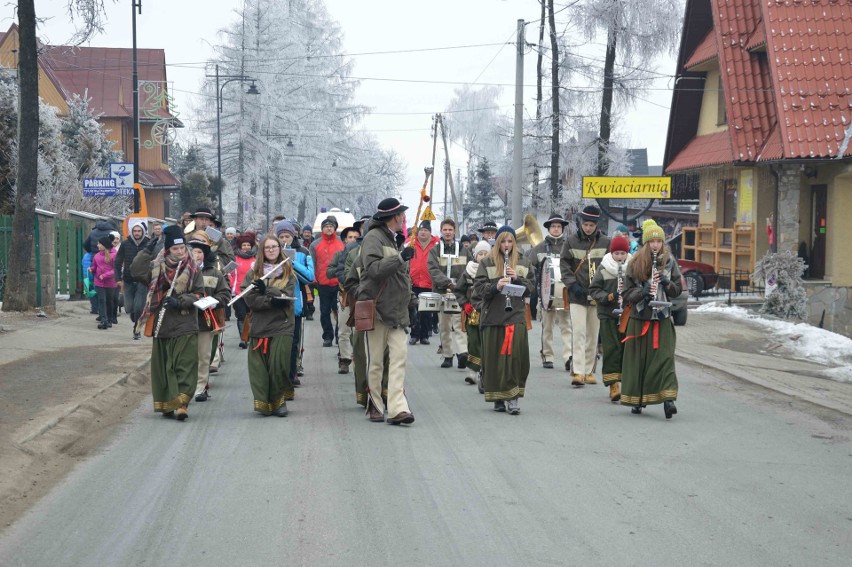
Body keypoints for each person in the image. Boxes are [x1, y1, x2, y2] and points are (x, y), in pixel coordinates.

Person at [131, 225, 204, 421]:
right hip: (162, 324)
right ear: (167, 249)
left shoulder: (193, 268)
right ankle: (167, 403)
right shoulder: (157, 267)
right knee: (165, 367)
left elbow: (199, 293)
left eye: (182, 248)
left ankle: (182, 404)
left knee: (185, 364)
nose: (180, 252)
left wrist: (180, 301)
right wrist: (147, 249)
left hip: (185, 321)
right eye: (175, 249)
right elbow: (135, 271)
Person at [357, 197, 416, 425]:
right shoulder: (373, 238)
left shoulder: (395, 240)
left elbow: (401, 278)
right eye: (401, 215)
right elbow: (373, 270)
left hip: (398, 311)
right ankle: (374, 403)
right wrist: (400, 258)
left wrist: (410, 300)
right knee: (376, 362)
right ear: (394, 217)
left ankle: (397, 408)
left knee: (399, 359)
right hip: (377, 309)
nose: (404, 219)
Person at [620, 222, 682, 418]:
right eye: (652, 241)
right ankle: (637, 400)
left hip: (662, 318)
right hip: (640, 318)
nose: (656, 245)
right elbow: (627, 293)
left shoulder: (669, 261)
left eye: (659, 241)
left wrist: (667, 283)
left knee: (665, 359)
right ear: (646, 244)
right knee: (640, 361)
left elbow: (678, 290)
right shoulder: (635, 262)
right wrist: (643, 292)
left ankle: (668, 400)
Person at [473, 226, 535, 414]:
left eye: (510, 242)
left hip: (515, 315)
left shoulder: (523, 261)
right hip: (493, 316)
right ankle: (497, 397)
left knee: (515, 357)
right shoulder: (487, 262)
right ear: (497, 242)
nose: (506, 245)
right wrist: (495, 286)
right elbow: (479, 289)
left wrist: (517, 280)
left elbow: (532, 288)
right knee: (494, 360)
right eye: (503, 241)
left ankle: (513, 397)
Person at [240, 235, 297, 417]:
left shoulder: (288, 272)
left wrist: (267, 291)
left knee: (278, 364)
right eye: (267, 248)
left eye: (274, 247)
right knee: (259, 369)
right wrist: (270, 300)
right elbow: (250, 299)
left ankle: (279, 401)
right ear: (262, 251)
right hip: (260, 326)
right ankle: (264, 402)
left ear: (280, 249)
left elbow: (286, 299)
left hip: (282, 325)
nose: (271, 250)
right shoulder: (253, 274)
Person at [342, 217, 390, 408]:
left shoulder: (390, 252)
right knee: (362, 352)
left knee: (388, 353)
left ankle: (386, 391)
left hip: (388, 310)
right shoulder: (354, 254)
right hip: (364, 308)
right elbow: (348, 279)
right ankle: (365, 392)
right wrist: (364, 293)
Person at [560, 205, 610, 386]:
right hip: (577, 295)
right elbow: (564, 265)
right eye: (585, 224)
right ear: (581, 223)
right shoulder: (571, 241)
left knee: (593, 334)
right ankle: (578, 372)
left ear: (596, 225)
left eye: (591, 225)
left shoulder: (605, 242)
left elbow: (610, 266)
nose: (588, 228)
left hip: (597, 295)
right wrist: (572, 285)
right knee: (579, 332)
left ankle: (589, 371)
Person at [187, 231, 230, 402]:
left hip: (204, 321)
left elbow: (225, 294)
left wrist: (213, 301)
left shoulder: (213, 272)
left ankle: (200, 388)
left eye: (199, 252)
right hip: (183, 320)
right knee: (186, 357)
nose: (196, 255)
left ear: (205, 254)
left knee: (203, 357)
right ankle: (185, 388)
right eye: (193, 251)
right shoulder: (182, 271)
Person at [589, 234, 632, 403]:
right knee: (611, 347)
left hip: (627, 313)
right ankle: (613, 384)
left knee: (626, 348)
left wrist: (628, 295)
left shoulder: (633, 267)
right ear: (611, 253)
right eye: (617, 254)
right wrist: (610, 296)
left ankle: (627, 383)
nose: (619, 257)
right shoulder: (603, 267)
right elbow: (594, 289)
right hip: (608, 314)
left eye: (622, 254)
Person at [528, 213, 572, 370]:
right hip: (545, 293)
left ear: (562, 229)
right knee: (547, 326)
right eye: (553, 226)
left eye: (559, 226)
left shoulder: (568, 246)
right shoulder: (539, 248)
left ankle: (569, 357)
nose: (556, 228)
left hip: (565, 293)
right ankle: (547, 355)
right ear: (548, 228)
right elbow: (530, 268)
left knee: (566, 325)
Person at [276, 220, 315, 387]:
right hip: (275, 304)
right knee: (278, 342)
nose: (285, 239)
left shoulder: (303, 252)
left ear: (294, 236)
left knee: (293, 342)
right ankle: (279, 374)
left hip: (295, 305)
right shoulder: (271, 252)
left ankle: (292, 374)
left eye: (288, 236)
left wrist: (291, 262)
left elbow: (309, 277)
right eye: (281, 236)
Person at [428, 218, 470, 369]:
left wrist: (460, 285)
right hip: (442, 292)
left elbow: (469, 268)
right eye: (445, 229)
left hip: (459, 293)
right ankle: (447, 355)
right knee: (444, 325)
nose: (447, 232)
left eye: (450, 230)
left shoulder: (464, 250)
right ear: (441, 231)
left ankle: (462, 353)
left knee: (459, 324)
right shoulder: (435, 250)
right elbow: (433, 270)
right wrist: (447, 283)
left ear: (454, 231)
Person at [455, 239, 491, 386]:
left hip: (489, 312)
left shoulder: (493, 270)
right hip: (472, 313)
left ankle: (486, 372)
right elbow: (459, 290)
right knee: (473, 342)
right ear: (475, 255)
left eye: (485, 253)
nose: (482, 256)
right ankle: (473, 372)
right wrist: (464, 304)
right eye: (480, 254)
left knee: (487, 342)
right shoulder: (468, 272)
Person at [327, 224, 360, 374]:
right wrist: (345, 278)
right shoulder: (340, 255)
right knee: (344, 330)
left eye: (356, 237)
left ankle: (360, 358)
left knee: (360, 330)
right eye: (350, 237)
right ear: (345, 240)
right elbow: (330, 272)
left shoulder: (364, 253)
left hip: (362, 296)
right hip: (346, 295)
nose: (353, 240)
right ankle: (345, 359)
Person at [309, 216, 344, 347]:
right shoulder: (315, 244)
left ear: (334, 228)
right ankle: (327, 336)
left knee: (339, 311)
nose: (329, 228)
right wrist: (313, 279)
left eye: (331, 226)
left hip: (339, 283)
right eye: (326, 226)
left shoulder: (342, 242)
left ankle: (339, 336)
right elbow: (312, 263)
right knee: (324, 312)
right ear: (322, 229)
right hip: (322, 283)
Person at [114, 218, 150, 339]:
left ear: (143, 231)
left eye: (139, 231)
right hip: (128, 280)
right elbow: (118, 261)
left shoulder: (149, 243)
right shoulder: (125, 244)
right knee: (129, 307)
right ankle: (134, 316)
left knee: (139, 306)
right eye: (135, 231)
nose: (137, 233)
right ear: (131, 232)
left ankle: (137, 328)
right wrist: (118, 277)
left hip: (143, 280)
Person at [408, 220, 439, 346]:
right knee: (414, 311)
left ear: (430, 232)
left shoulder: (435, 245)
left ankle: (424, 336)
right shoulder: (411, 243)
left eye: (426, 230)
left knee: (426, 312)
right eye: (421, 230)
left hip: (428, 283)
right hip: (413, 282)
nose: (423, 232)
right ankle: (414, 335)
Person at [231, 232, 257, 349]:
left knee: (250, 315)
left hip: (252, 292)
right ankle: (243, 338)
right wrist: (232, 286)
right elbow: (228, 274)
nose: (246, 247)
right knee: (241, 315)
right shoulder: (234, 259)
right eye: (244, 245)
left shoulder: (256, 259)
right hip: (237, 293)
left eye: (248, 245)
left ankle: (250, 336)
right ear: (240, 246)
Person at [90, 235, 119, 329]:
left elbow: (116, 269)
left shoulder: (114, 255)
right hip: (98, 282)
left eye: (99, 243)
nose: (97, 245)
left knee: (109, 301)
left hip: (110, 282)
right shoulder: (97, 256)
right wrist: (91, 269)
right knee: (101, 300)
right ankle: (104, 320)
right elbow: (95, 267)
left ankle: (110, 319)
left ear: (104, 245)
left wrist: (105, 275)